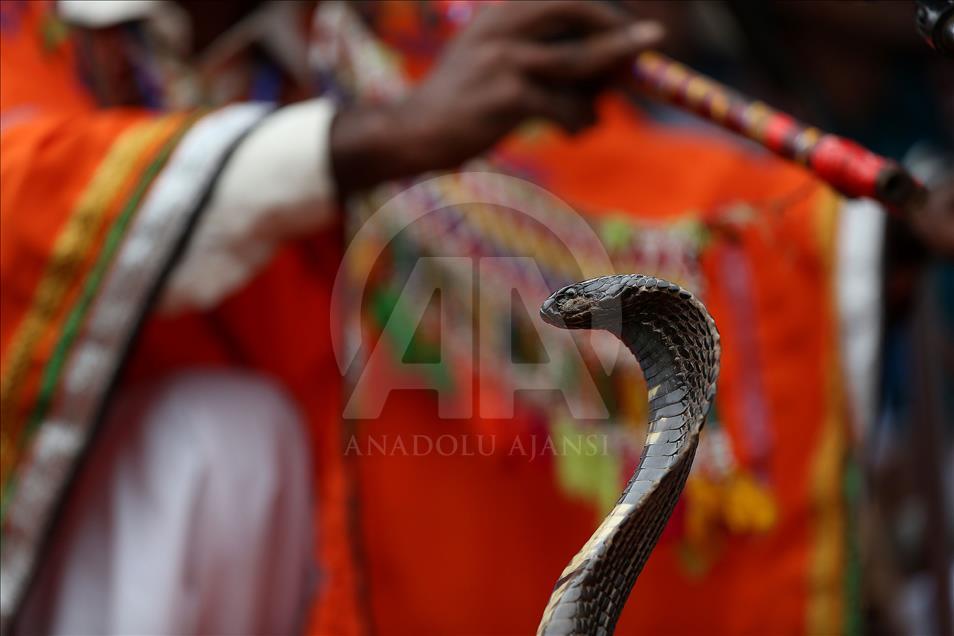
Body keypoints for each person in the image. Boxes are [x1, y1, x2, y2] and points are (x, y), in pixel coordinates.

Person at [0, 1, 663, 633]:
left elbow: (633, 188)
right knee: (216, 445)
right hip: (63, 549)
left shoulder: (371, 36)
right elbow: (24, 194)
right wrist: (380, 137)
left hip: (294, 542)